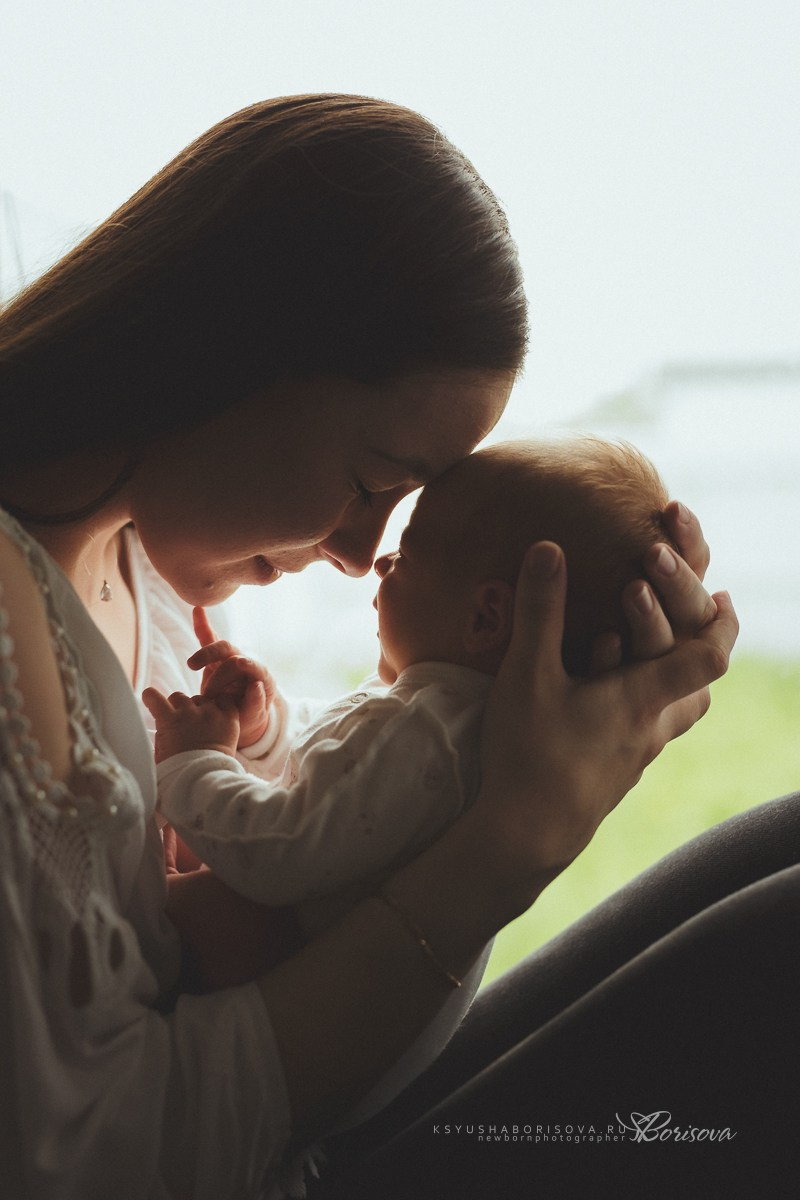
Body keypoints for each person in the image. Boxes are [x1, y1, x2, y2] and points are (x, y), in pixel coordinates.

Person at [0, 92, 775, 1200]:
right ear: (224, 353)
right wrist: (514, 837)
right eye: (370, 482)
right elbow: (90, 1162)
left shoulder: (140, 570)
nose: (367, 554)